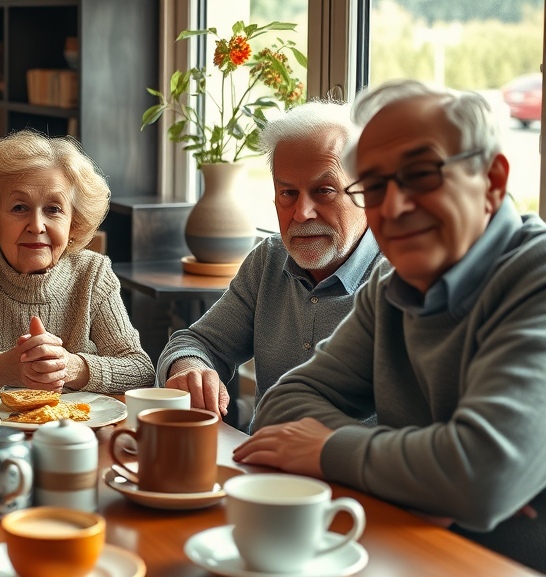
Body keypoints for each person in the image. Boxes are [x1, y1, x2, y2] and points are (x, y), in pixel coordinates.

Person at [234, 79, 546, 571]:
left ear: (493, 180)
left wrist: (331, 448)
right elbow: (281, 406)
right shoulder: (394, 285)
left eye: (421, 174)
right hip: (405, 549)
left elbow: (482, 476)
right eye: (375, 186)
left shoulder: (536, 276)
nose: (394, 207)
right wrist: (427, 469)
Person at [157, 101, 387, 418]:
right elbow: (197, 342)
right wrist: (190, 368)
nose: (302, 213)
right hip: (259, 466)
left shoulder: (402, 276)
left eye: (324, 190)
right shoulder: (269, 259)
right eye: (287, 193)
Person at [0, 130, 154, 393]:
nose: (36, 225)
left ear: (73, 223)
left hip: (74, 431)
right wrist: (3, 369)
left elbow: (140, 370)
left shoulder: (93, 274)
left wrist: (71, 366)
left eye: (54, 209)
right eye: (19, 208)